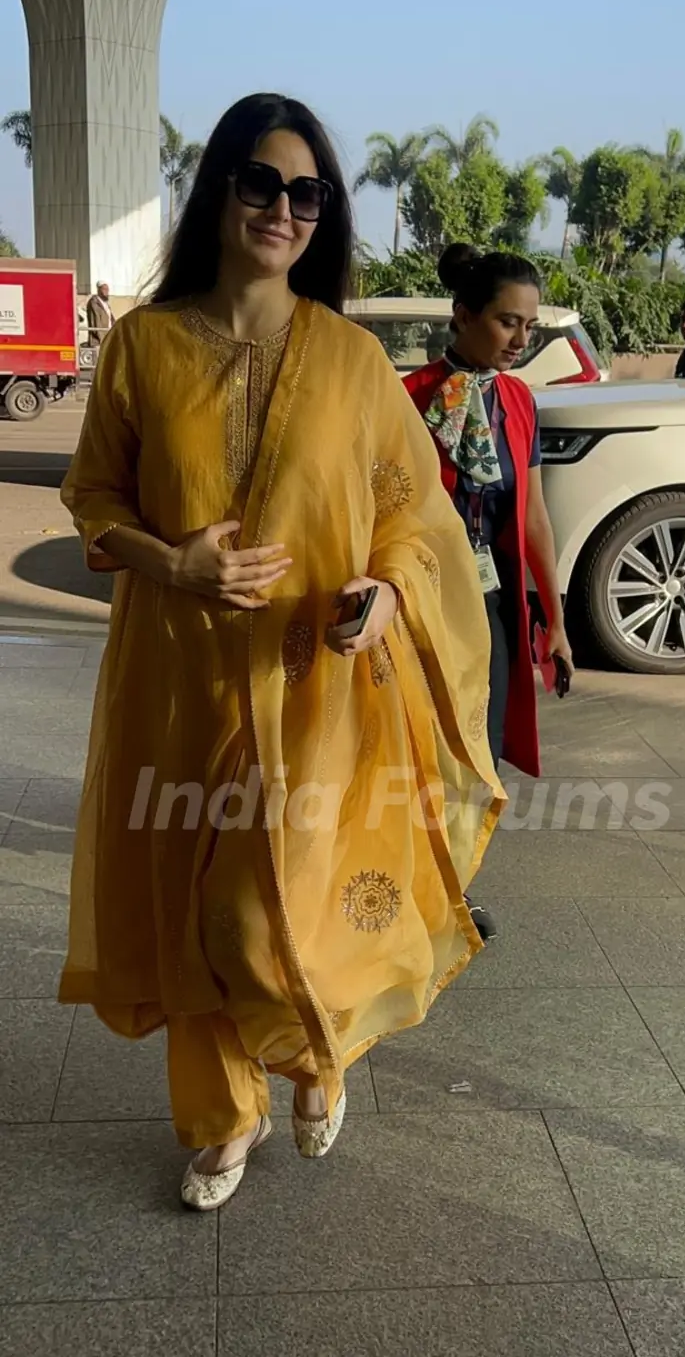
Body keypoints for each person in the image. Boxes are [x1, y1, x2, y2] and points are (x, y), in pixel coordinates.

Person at [59, 95, 504, 1211]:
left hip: (317, 690)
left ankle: (314, 1051)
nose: (283, 209)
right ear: (219, 189)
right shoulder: (143, 347)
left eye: (307, 193)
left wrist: (387, 597)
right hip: (179, 679)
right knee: (194, 910)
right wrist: (172, 563)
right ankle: (223, 1115)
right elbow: (94, 499)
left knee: (269, 909)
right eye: (261, 182)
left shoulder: (352, 361)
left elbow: (410, 519)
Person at [404, 245, 574, 942]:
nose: (521, 339)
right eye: (508, 322)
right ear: (463, 314)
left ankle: (450, 889)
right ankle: (396, 886)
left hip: (491, 606)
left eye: (529, 326)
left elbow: (533, 517)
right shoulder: (407, 398)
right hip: (417, 606)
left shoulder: (518, 402)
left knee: (481, 755)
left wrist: (554, 619)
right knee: (415, 753)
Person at [86, 281, 115, 347]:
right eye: (104, 289)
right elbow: (96, 322)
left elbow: (111, 319)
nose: (107, 292)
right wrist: (102, 340)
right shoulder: (94, 302)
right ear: (98, 290)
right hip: (99, 341)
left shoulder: (105, 304)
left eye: (107, 289)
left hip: (108, 337)